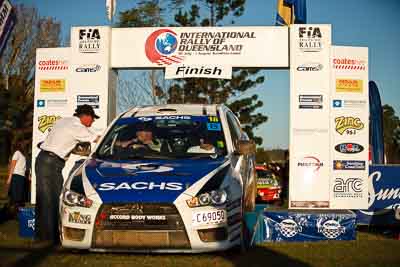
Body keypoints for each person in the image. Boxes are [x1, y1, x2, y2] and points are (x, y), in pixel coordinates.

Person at [35, 104, 100, 244]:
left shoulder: (64, 121)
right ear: (86, 116)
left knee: (45, 199)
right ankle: (50, 239)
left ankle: (42, 236)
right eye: (92, 119)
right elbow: (97, 138)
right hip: (51, 163)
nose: (92, 122)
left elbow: (63, 143)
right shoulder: (77, 127)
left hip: (45, 160)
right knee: (50, 199)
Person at [7, 141, 27, 216]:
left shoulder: (23, 155)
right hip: (16, 176)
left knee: (19, 195)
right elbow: (13, 165)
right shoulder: (17, 153)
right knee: (15, 196)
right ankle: (13, 213)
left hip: (21, 177)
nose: (24, 146)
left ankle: (16, 212)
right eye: (23, 145)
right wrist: (9, 177)